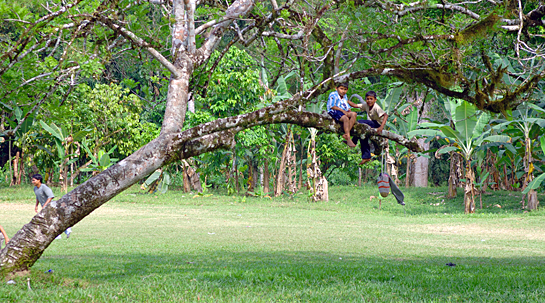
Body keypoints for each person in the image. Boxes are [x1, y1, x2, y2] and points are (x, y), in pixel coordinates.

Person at [31, 174, 72, 239]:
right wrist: (36, 205)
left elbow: (50, 197)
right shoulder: (35, 188)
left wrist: (44, 206)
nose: (32, 182)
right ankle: (65, 231)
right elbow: (37, 197)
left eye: (34, 180)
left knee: (52, 221)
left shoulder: (44, 187)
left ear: (39, 180)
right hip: (44, 207)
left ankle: (64, 232)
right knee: (52, 220)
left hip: (51, 206)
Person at [355, 91, 388, 165]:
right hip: (373, 123)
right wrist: (345, 101)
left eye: (371, 99)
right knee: (362, 134)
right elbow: (355, 105)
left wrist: (381, 127)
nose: (369, 100)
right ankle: (366, 156)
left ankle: (354, 141)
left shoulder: (376, 107)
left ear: (375, 100)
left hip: (377, 124)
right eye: (367, 99)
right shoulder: (366, 105)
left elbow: (386, 115)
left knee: (359, 122)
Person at [326, 82, 362, 148]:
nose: (343, 91)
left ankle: (346, 134)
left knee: (354, 114)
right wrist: (343, 111)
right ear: (336, 88)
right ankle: (348, 138)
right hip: (334, 111)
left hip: (343, 111)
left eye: (345, 89)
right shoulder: (333, 94)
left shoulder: (345, 96)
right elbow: (332, 106)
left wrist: (349, 111)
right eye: (341, 89)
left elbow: (347, 106)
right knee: (345, 118)